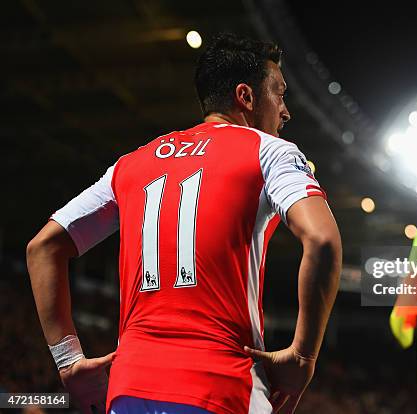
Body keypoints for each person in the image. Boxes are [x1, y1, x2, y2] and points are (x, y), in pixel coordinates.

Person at [26, 33, 342, 414]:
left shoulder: (132, 164)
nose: (286, 111)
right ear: (246, 97)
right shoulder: (270, 152)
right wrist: (304, 357)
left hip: (128, 390)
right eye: (279, 93)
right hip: (222, 386)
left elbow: (43, 247)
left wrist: (67, 360)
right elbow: (323, 240)